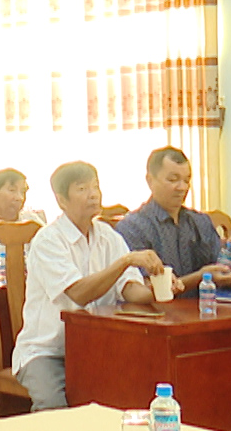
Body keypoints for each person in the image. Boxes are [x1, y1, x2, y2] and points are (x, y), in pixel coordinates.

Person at [11, 162, 164, 409]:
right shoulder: (48, 240)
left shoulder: (108, 236)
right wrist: (125, 261)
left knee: (131, 391)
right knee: (54, 407)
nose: (93, 194)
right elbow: (79, 293)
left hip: (96, 347)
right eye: (82, 189)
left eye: (96, 187)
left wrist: (158, 289)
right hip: (48, 351)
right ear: (61, 200)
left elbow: (130, 290)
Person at [113, 147, 231, 293]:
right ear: (150, 181)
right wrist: (199, 277)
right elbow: (145, 290)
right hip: (156, 308)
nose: (182, 187)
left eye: (187, 180)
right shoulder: (132, 227)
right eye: (173, 180)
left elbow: (229, 281)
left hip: (205, 305)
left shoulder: (200, 222)